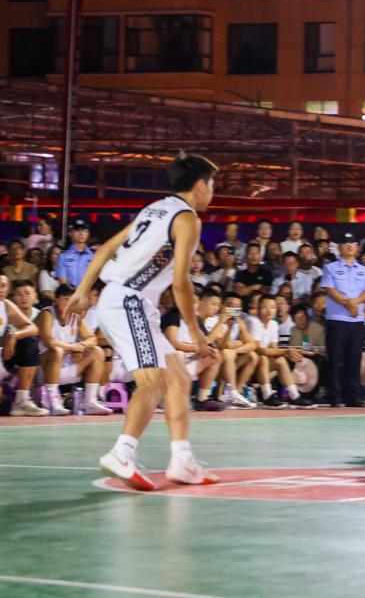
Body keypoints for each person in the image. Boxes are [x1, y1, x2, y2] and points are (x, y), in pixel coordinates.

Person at [65, 152, 220, 490]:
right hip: (129, 301)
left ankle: (182, 460)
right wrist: (198, 335)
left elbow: (106, 248)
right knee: (153, 382)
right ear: (199, 185)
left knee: (177, 376)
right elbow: (181, 283)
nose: (212, 192)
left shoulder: (156, 208)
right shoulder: (188, 219)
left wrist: (82, 290)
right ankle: (122, 453)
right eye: (211, 185)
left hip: (126, 299)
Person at [37, 283, 110, 415]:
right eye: (65, 299)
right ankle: (53, 402)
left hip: (66, 365)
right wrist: (72, 347)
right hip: (44, 368)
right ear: (56, 299)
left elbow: (92, 339)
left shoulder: (75, 317)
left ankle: (90, 402)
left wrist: (81, 347)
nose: (69, 303)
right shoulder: (46, 314)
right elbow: (49, 342)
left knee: (97, 351)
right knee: (57, 351)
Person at [321, 232, 365, 407]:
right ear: (339, 247)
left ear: (357, 247)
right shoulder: (331, 267)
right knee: (335, 359)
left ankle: (353, 396)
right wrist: (348, 304)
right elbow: (329, 289)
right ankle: (335, 396)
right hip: (337, 319)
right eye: (345, 243)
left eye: (353, 243)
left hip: (356, 321)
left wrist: (354, 303)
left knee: (354, 359)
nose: (349, 246)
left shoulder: (363, 270)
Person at [3, 275, 44, 416]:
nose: (0, 289)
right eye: (19, 294)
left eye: (3, 286)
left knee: (30, 342)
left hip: (7, 359)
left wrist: (14, 335)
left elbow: (33, 328)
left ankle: (21, 401)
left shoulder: (6, 305)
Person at [56, 219, 94, 287]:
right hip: (70, 292)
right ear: (70, 233)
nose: (81, 233)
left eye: (84, 230)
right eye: (77, 230)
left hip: (89, 292)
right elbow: (62, 282)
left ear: (88, 234)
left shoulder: (94, 256)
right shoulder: (63, 257)